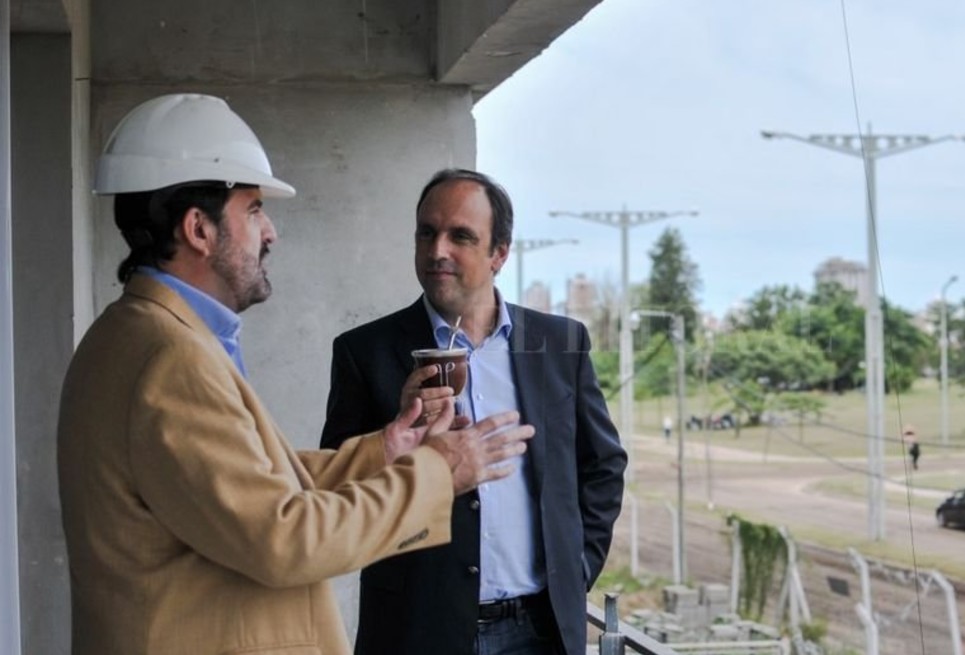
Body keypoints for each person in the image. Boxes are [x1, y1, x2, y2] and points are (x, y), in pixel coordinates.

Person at [56, 94, 533, 655]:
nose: (271, 233)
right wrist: (439, 471)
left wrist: (386, 450)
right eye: (254, 209)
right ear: (198, 230)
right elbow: (283, 535)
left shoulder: (135, 335)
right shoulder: (171, 360)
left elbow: (248, 487)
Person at [320, 168, 627, 655]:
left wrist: (575, 569)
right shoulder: (366, 352)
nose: (437, 250)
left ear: (499, 253)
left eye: (460, 236)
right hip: (416, 630)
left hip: (541, 632)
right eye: (427, 232)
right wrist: (397, 438)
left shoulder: (560, 344)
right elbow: (334, 489)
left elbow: (603, 465)